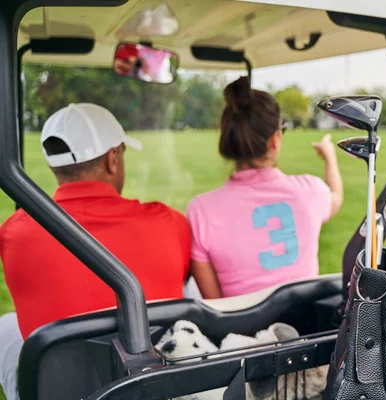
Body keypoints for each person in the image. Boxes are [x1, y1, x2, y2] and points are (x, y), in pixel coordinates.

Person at [0, 103, 191, 400]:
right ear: (113, 159)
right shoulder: (168, 222)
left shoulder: (13, 232)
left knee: (6, 325)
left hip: (57, 389)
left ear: (54, 164)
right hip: (154, 389)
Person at [186, 76, 343, 299]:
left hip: (241, 333)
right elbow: (335, 197)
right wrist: (330, 158)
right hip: (306, 330)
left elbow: (216, 306)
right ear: (275, 139)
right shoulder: (311, 191)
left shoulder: (200, 211)